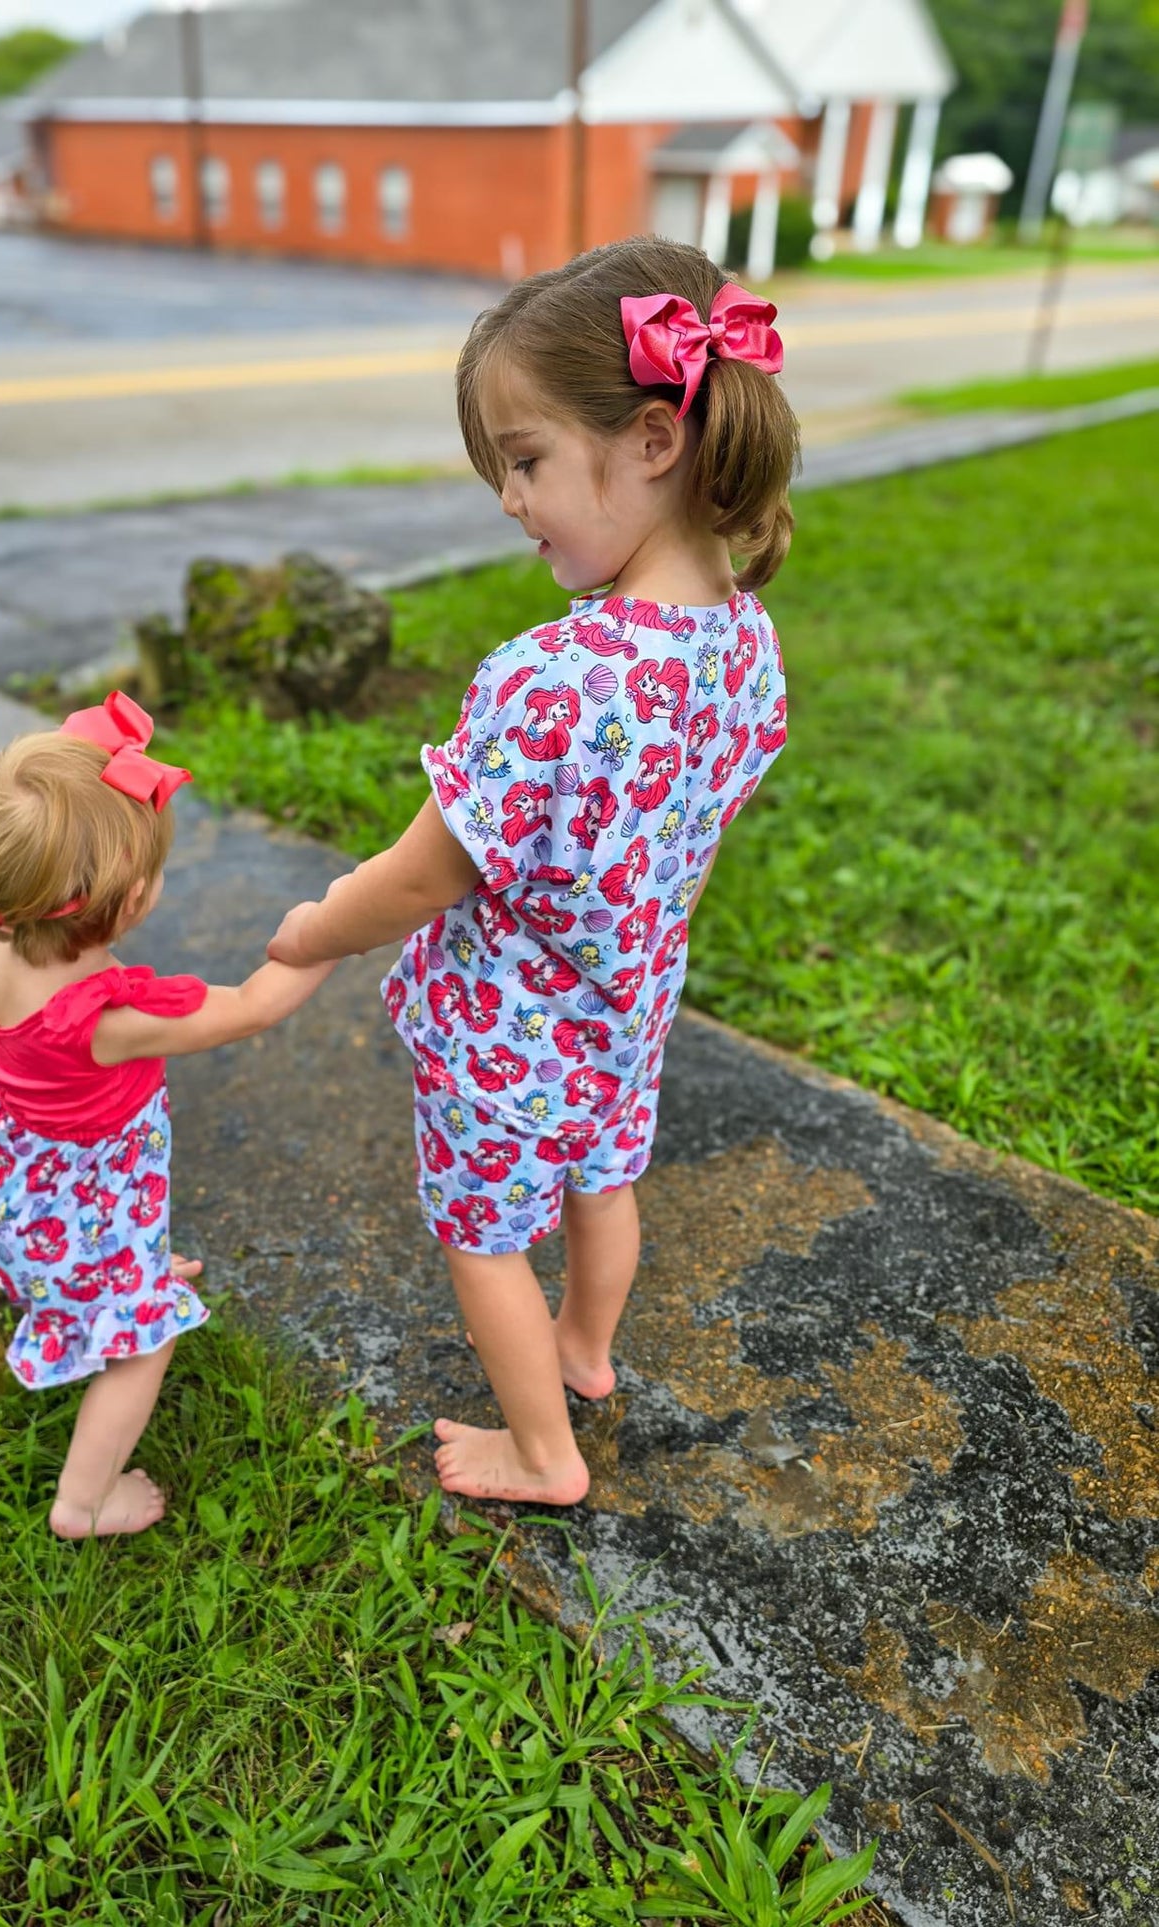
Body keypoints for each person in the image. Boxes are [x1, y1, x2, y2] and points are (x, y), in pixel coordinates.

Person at [268, 237, 798, 1505]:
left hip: (505, 1042)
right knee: (604, 1184)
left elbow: (419, 873)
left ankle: (540, 1451)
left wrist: (312, 929)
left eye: (525, 461)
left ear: (654, 443)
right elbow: (694, 833)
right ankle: (586, 1353)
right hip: (625, 1014)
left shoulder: (555, 679)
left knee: (483, 1242)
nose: (510, 499)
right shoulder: (745, 645)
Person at [0, 692, 332, 1539]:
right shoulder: (106, 1018)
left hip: (28, 1177)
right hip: (89, 1192)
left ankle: (116, 1276)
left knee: (116, 1264)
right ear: (128, 903)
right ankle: (84, 1501)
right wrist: (327, 938)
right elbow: (248, 1007)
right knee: (143, 1347)